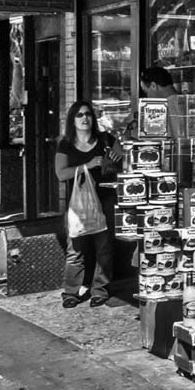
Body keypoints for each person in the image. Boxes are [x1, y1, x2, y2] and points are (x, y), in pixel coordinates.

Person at [56, 99, 124, 308]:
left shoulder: (105, 139)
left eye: (88, 114)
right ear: (72, 120)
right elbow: (61, 174)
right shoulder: (66, 144)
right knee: (76, 249)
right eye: (79, 115)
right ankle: (71, 291)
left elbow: (122, 159)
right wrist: (87, 164)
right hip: (78, 205)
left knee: (104, 248)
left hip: (105, 200)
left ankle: (99, 290)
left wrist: (118, 156)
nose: (84, 118)